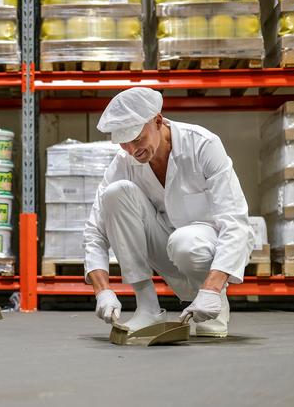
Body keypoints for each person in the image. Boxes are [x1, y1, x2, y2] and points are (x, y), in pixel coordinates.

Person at [83, 87, 254, 337]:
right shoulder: (124, 161)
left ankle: (212, 303)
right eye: (124, 143)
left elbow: (235, 222)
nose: (132, 150)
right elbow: (95, 230)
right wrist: (102, 290)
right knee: (116, 193)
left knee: (185, 241)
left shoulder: (203, 145)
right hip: (164, 248)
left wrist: (212, 289)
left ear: (158, 120)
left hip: (203, 251)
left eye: (138, 139)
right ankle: (148, 309)